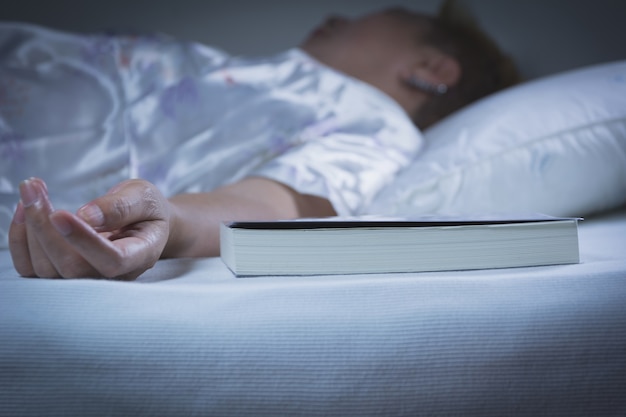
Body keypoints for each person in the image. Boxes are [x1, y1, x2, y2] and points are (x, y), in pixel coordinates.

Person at [3, 4, 519, 280]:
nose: (341, 15)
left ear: (431, 69)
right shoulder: (272, 78)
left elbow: (273, 203)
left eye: (382, 13)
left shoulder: (377, 126)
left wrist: (170, 221)